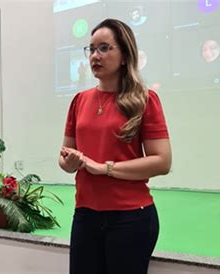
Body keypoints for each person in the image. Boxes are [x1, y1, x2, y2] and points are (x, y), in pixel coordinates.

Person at [59, 18, 171, 274]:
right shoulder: (80, 100)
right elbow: (64, 160)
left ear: (124, 55)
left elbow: (162, 161)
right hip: (85, 215)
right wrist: (70, 162)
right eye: (91, 49)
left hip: (131, 217)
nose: (95, 56)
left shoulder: (145, 99)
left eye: (104, 48)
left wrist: (105, 168)